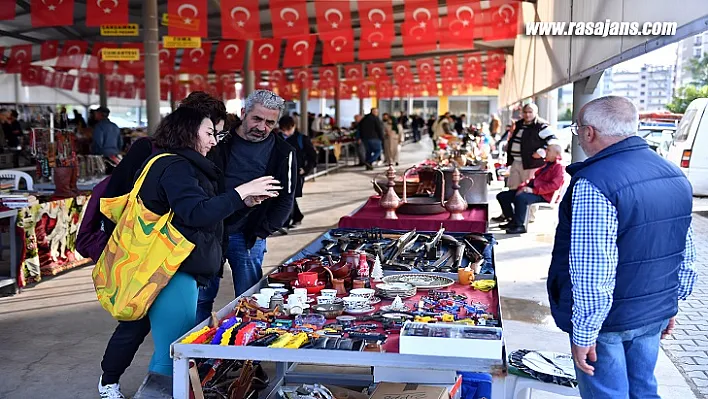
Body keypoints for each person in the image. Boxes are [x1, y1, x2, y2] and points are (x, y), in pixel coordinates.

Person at [97, 107, 280, 399]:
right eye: (209, 133)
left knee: (150, 333)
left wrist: (242, 203)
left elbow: (204, 215)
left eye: (216, 134)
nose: (214, 141)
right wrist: (239, 193)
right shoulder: (177, 167)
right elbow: (195, 213)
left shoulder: (181, 165)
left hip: (162, 264)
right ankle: (148, 391)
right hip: (171, 266)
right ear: (187, 132)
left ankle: (112, 381)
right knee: (174, 348)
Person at [546, 96, 696, 399]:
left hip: (608, 321)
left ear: (589, 133)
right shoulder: (674, 174)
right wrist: (671, 302)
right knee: (644, 390)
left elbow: (593, 269)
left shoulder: (595, 182)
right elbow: (685, 251)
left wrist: (585, 331)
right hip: (652, 311)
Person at [198, 89, 297, 319]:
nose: (262, 127)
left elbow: (286, 198)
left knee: (251, 299)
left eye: (270, 123)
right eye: (257, 119)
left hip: (249, 236)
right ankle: (196, 350)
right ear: (243, 113)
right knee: (202, 298)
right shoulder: (217, 142)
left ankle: (245, 349)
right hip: (210, 232)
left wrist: (262, 231)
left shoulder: (284, 152)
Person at [495, 144, 564, 234]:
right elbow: (534, 180)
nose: (545, 152)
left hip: (545, 195)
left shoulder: (558, 167)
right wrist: (523, 187)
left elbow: (555, 185)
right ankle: (512, 220)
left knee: (521, 198)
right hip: (535, 190)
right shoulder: (547, 164)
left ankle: (520, 225)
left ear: (556, 154)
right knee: (503, 196)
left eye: (549, 150)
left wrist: (533, 191)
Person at [278, 115, 317, 228]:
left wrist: (305, 170)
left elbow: (313, 157)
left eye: (288, 129)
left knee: (289, 195)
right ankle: (297, 217)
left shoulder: (302, 139)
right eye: (283, 130)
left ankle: (284, 223)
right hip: (281, 173)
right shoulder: (277, 138)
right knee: (287, 196)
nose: (286, 132)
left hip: (297, 174)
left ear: (294, 126)